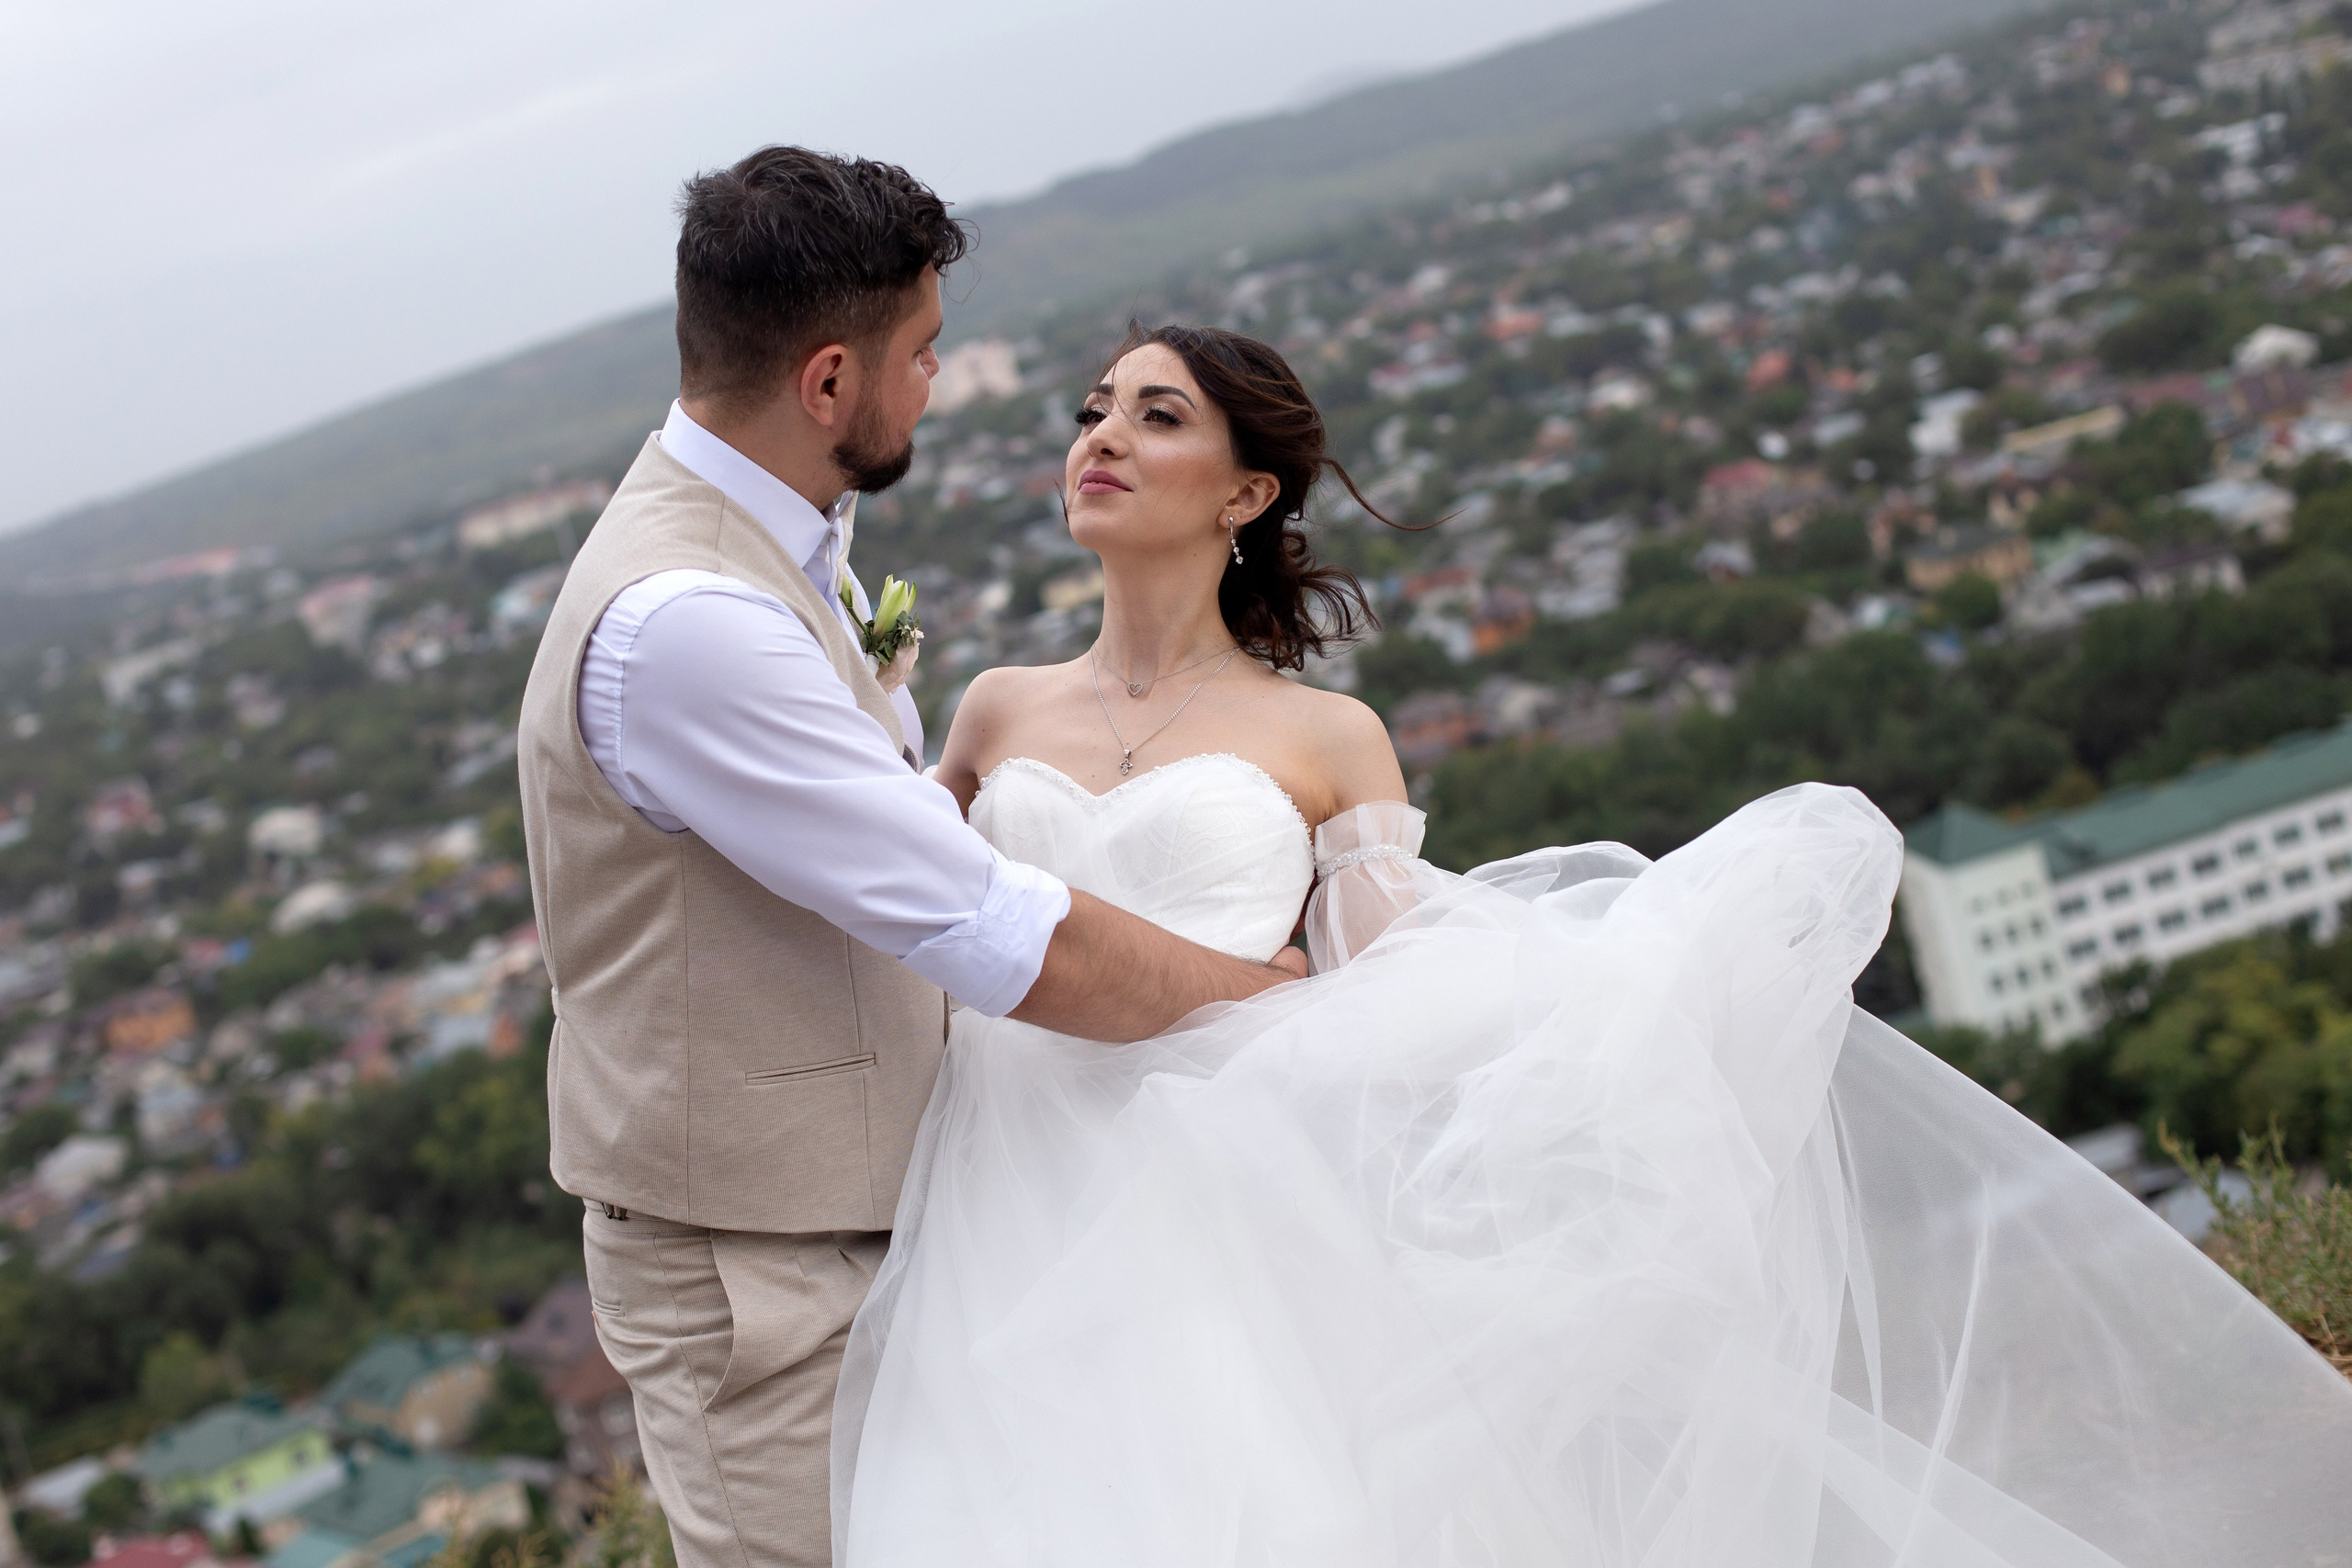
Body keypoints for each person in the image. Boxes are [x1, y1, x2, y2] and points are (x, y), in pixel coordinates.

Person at [827, 324, 2352, 1566]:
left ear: (1245, 495)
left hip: (1227, 1223)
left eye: (1156, 417)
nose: (1100, 435)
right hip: (993, 1210)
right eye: (1096, 408)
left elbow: (1384, 1015)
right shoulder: (992, 709)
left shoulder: (1327, 734)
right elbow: (902, 914)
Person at [514, 149, 1306, 1568]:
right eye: (924, 353)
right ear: (829, 384)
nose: (938, 382)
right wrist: (1275, 1002)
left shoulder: (775, 549)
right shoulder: (691, 619)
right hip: (759, 1275)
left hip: (929, 1228)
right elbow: (1000, 931)